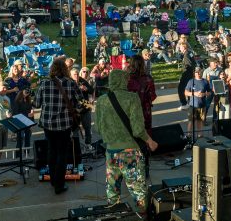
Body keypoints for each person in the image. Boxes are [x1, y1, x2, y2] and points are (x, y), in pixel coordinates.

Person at [95, 70, 158, 210]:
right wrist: (150, 141)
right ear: (124, 80)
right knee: (139, 193)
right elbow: (138, 129)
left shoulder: (101, 100)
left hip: (111, 152)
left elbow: (98, 129)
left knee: (112, 193)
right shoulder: (132, 98)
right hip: (131, 153)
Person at [33, 57, 84, 195]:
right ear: (65, 69)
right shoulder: (70, 83)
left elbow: (36, 104)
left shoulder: (44, 83)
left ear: (52, 69)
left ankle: (53, 180)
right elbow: (80, 102)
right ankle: (59, 185)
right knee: (62, 153)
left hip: (48, 124)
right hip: (64, 124)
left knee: (51, 150)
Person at [126, 56, 157, 133]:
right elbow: (153, 96)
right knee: (146, 132)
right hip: (145, 109)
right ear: (143, 64)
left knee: (130, 132)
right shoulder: (148, 78)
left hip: (129, 109)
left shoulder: (126, 78)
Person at [184, 67, 212, 136]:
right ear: (194, 73)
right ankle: (189, 135)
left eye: (200, 72)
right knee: (191, 121)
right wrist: (194, 94)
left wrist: (204, 94)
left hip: (202, 105)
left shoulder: (205, 81)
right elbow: (186, 92)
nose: (198, 73)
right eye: (197, 72)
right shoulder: (191, 81)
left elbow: (209, 92)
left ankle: (200, 135)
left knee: (200, 121)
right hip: (192, 105)